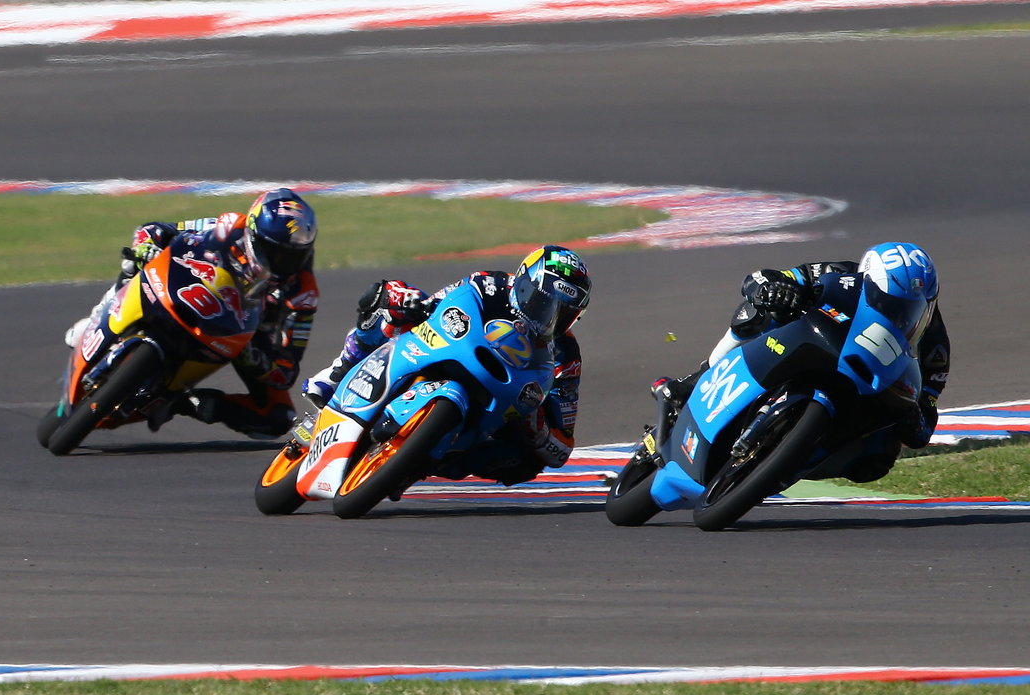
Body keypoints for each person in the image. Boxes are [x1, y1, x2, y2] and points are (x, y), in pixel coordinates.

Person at [650, 241, 948, 483]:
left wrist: (916, 420)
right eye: (890, 302)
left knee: (877, 458)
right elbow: (760, 278)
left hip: (861, 389)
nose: (902, 314)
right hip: (805, 344)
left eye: (913, 308)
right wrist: (773, 289)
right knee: (761, 311)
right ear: (866, 280)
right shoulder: (838, 273)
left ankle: (784, 466)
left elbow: (928, 408)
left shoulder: (935, 345)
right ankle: (696, 380)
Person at [301, 245, 591, 486]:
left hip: (498, 408)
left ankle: (418, 462)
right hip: (448, 351)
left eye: (563, 312)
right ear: (524, 285)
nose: (550, 317)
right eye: (544, 303)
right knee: (387, 303)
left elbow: (561, 449)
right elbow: (436, 304)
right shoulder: (487, 284)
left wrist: (536, 427)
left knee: (528, 463)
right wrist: (408, 302)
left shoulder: (566, 356)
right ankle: (338, 375)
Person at [65, 188, 320, 439]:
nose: (281, 261)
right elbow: (156, 230)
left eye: (292, 255)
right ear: (252, 233)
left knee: (278, 417)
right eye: (272, 250)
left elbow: (287, 369)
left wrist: (255, 359)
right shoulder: (226, 226)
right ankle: (99, 316)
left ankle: (182, 402)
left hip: (243, 336)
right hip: (194, 289)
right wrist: (147, 246)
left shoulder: (303, 294)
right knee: (133, 263)